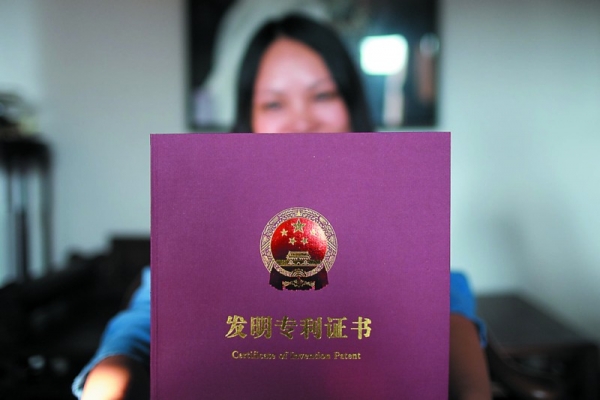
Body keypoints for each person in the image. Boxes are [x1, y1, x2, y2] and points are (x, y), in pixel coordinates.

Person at [74, 14, 491, 400]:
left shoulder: (399, 221)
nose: (302, 121)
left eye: (322, 94)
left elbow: (443, 299)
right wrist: (114, 369)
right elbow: (149, 314)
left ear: (351, 104)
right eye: (274, 103)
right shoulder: (209, 224)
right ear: (249, 120)